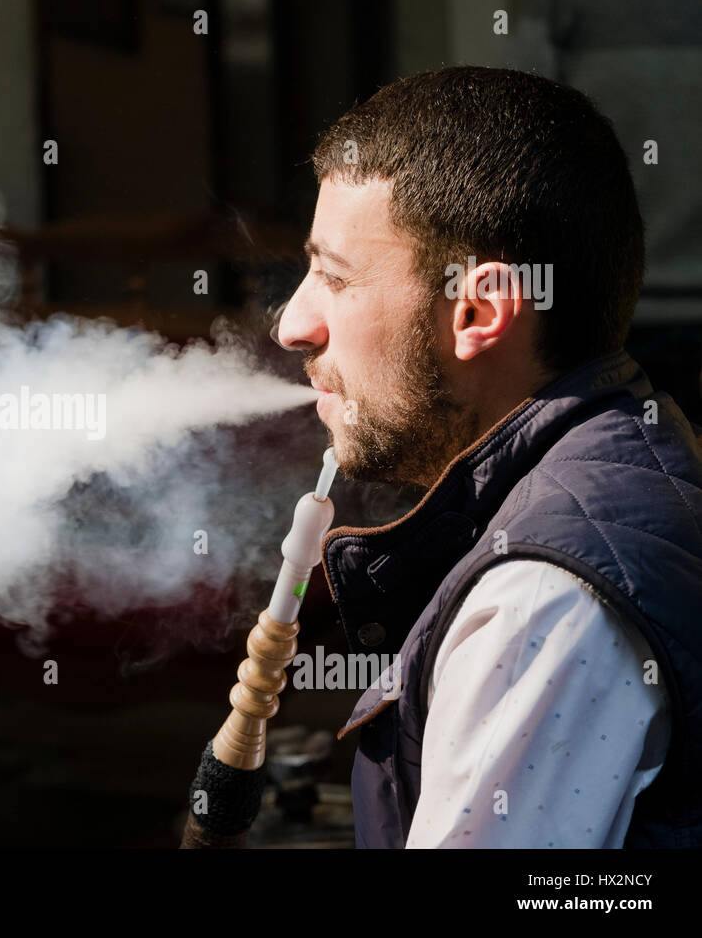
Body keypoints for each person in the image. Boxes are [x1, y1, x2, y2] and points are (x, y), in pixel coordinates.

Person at [273, 66, 701, 847]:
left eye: (333, 276)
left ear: (478, 310)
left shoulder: (546, 603)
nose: (292, 325)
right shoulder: (612, 448)